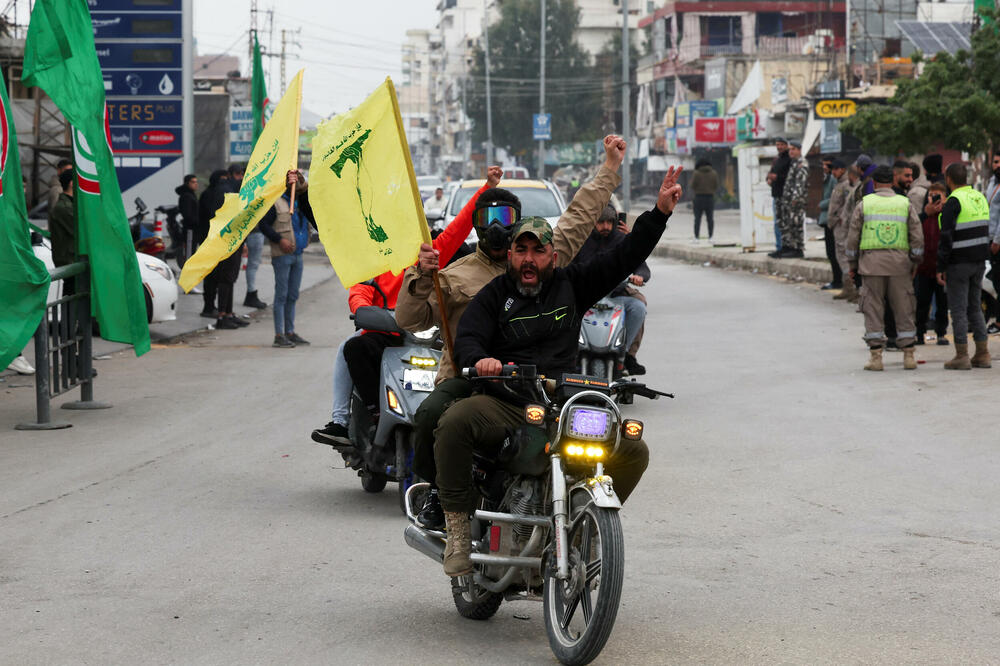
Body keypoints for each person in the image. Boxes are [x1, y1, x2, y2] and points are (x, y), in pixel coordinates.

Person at [434, 171, 682, 576]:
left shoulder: (573, 284)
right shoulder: (493, 295)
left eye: (538, 250)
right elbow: (469, 339)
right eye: (521, 250)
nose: (529, 259)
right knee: (454, 421)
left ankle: (585, 520)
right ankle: (458, 528)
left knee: (634, 449)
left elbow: (625, 254)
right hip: (508, 401)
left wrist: (659, 213)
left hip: (561, 402)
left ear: (552, 255)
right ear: (511, 255)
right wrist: (482, 361)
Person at [395, 135, 633, 531]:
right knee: (432, 415)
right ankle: (437, 494)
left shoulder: (541, 257)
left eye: (504, 219)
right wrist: (420, 273)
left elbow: (580, 213)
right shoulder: (453, 276)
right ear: (474, 225)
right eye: (487, 219)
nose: (495, 228)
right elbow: (409, 318)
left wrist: (609, 169)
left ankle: (582, 518)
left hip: (537, 381)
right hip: (471, 380)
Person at [310, 167, 503, 446]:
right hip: (383, 331)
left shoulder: (429, 254)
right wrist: (364, 310)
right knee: (351, 348)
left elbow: (460, 227)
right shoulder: (377, 254)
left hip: (422, 333)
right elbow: (360, 288)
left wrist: (487, 187)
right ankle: (350, 418)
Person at [845, 165, 924, 371]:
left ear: (874, 183)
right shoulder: (904, 203)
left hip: (871, 266)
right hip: (900, 266)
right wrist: (915, 260)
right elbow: (917, 235)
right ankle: (908, 356)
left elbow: (853, 238)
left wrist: (852, 265)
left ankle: (876, 357)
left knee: (873, 310)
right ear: (892, 181)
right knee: (904, 309)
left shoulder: (865, 204)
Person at [573, 204, 649, 374]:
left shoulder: (622, 239)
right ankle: (569, 352)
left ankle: (627, 354)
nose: (605, 226)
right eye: (601, 222)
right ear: (593, 222)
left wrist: (639, 276)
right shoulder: (581, 240)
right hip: (585, 295)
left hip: (615, 293)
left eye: (609, 222)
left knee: (638, 307)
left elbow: (641, 266)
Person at [936, 162, 992, 369]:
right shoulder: (979, 197)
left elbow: (946, 236)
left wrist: (940, 266)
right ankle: (983, 354)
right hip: (979, 261)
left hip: (958, 263)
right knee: (975, 307)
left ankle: (962, 355)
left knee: (958, 310)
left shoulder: (953, 201)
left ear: (948, 179)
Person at [259, 170, 315, 347]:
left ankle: (290, 332)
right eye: (292, 182)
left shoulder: (300, 202)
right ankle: (279, 334)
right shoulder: (276, 203)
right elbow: (264, 225)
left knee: (293, 295)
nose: (295, 185)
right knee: (281, 296)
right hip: (282, 256)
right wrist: (279, 239)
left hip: (298, 254)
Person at [915, 182, 950, 345]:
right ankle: (919, 333)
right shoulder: (923, 216)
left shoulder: (948, 215)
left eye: (938, 195)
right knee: (921, 303)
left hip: (941, 267)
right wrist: (925, 213)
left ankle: (941, 333)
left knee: (942, 303)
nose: (934, 198)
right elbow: (914, 231)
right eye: (931, 195)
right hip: (923, 267)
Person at [197, 170, 230, 319]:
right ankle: (209, 306)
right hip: (210, 240)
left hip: (212, 240)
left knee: (215, 275)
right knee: (211, 275)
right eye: (222, 179)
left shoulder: (209, 193)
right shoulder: (212, 195)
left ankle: (211, 306)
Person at [832, 163, 860, 302]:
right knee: (842, 255)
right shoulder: (848, 186)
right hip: (842, 225)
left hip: (848, 227)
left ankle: (854, 289)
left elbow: (850, 208)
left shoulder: (853, 187)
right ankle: (848, 288)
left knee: (847, 256)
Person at [777, 139, 808, 259]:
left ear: (799, 150)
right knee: (788, 224)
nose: (791, 152)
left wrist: (795, 198)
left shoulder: (802, 163)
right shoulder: (794, 163)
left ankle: (798, 248)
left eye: (793, 149)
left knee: (796, 225)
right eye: (790, 149)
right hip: (788, 200)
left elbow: (800, 183)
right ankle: (789, 247)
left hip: (796, 201)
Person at [818, 157, 843, 289]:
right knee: (831, 252)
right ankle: (837, 279)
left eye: (828, 165)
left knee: (834, 252)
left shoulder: (834, 180)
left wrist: (821, 204)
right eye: (824, 165)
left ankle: (838, 280)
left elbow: (834, 199)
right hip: (828, 219)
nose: (825, 168)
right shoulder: (827, 179)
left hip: (833, 220)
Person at [766, 138, 791, 257]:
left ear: (786, 145)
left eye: (781, 144)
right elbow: (771, 173)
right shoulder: (777, 159)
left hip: (785, 195)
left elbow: (789, 177)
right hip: (776, 195)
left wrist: (778, 178)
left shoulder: (790, 160)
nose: (779, 147)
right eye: (777, 145)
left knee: (783, 223)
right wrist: (769, 179)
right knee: (777, 222)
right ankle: (779, 247)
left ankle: (784, 247)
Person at [49, 169, 76, 269]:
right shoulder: (64, 207)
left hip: (74, 262)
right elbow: (81, 230)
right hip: (70, 263)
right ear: (72, 183)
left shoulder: (71, 204)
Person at [985, 152, 1000, 334]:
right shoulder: (991, 182)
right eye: (995, 162)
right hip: (989, 237)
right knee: (995, 281)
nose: (997, 165)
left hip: (997, 239)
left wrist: (997, 240)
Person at [691, 157, 718, 242]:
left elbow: (692, 185)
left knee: (697, 219)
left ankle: (696, 238)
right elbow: (716, 185)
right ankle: (711, 237)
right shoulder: (714, 173)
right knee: (710, 219)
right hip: (710, 198)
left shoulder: (696, 173)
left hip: (698, 198)